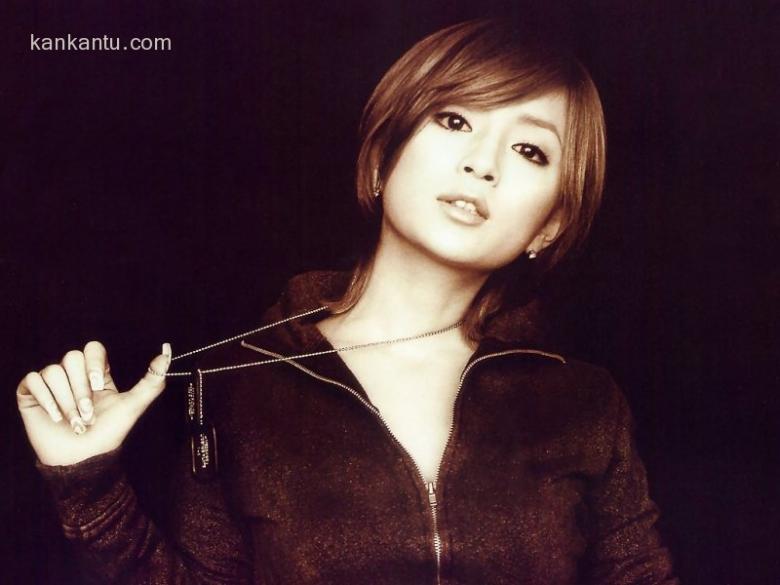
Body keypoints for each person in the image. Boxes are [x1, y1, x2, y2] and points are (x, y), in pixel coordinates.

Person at [16, 19, 678, 585]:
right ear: (383, 155)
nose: (483, 163)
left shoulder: (585, 403)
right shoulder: (240, 384)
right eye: (455, 120)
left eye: (530, 149)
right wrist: (87, 485)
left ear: (549, 226)